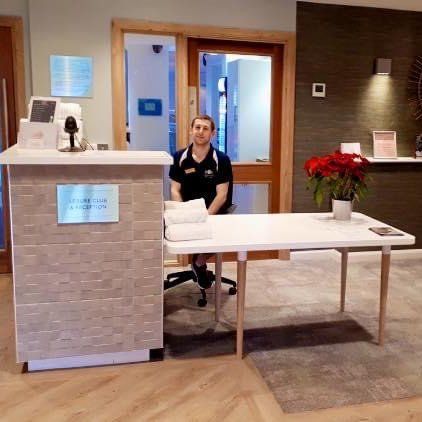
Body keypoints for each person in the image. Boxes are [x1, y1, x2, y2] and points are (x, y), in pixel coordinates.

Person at [169, 114, 233, 289]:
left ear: (213, 133)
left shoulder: (221, 159)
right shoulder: (179, 157)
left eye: (205, 128)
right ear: (191, 130)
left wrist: (205, 216)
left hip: (213, 211)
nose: (200, 132)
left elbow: (222, 195)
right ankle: (199, 263)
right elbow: (175, 189)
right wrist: (183, 213)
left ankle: (199, 261)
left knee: (221, 235)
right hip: (187, 210)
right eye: (197, 127)